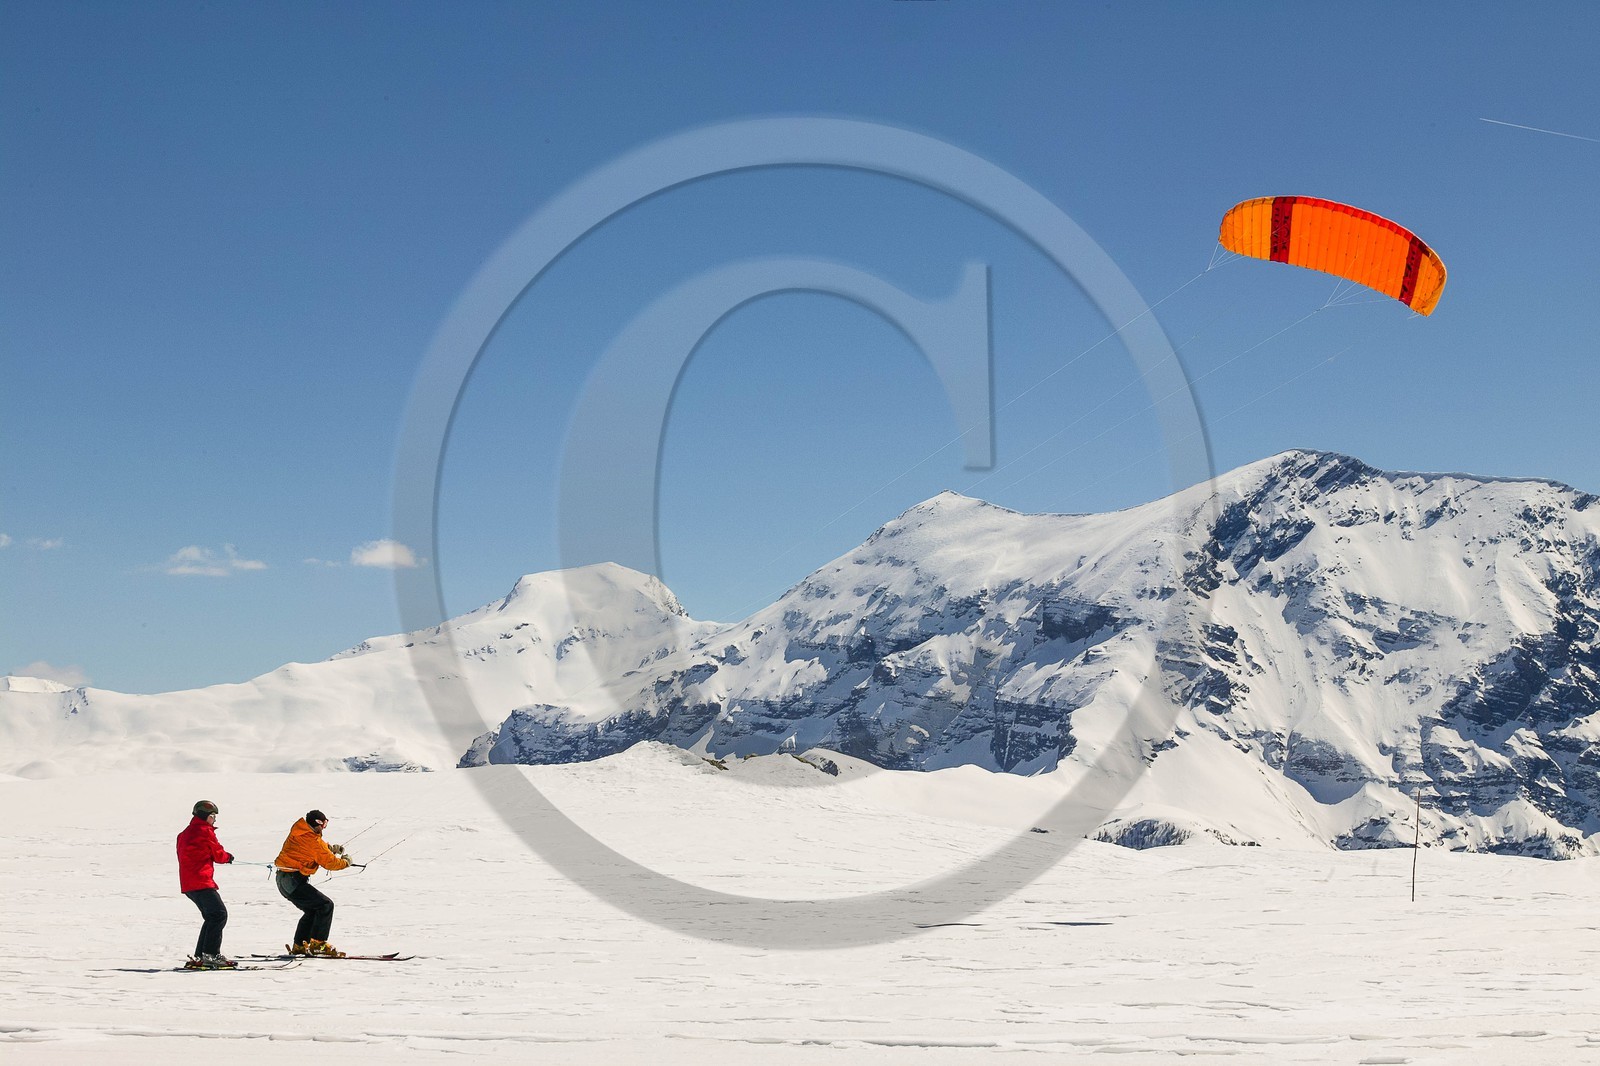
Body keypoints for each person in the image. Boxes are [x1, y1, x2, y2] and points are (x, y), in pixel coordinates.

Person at [273, 809, 351, 957]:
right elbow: (329, 863)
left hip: (284, 880)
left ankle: (300, 945)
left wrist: (329, 848)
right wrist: (346, 862)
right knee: (325, 905)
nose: (324, 828)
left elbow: (314, 846)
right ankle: (318, 945)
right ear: (318, 824)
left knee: (312, 910)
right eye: (324, 825)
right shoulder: (312, 840)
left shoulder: (300, 831)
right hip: (292, 880)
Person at [176, 800, 236, 969]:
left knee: (212, 916)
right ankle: (210, 954)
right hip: (201, 881)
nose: (214, 820)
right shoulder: (204, 831)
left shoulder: (185, 833)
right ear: (205, 816)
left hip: (189, 883)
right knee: (219, 915)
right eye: (212, 816)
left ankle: (202, 955)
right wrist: (228, 857)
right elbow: (218, 854)